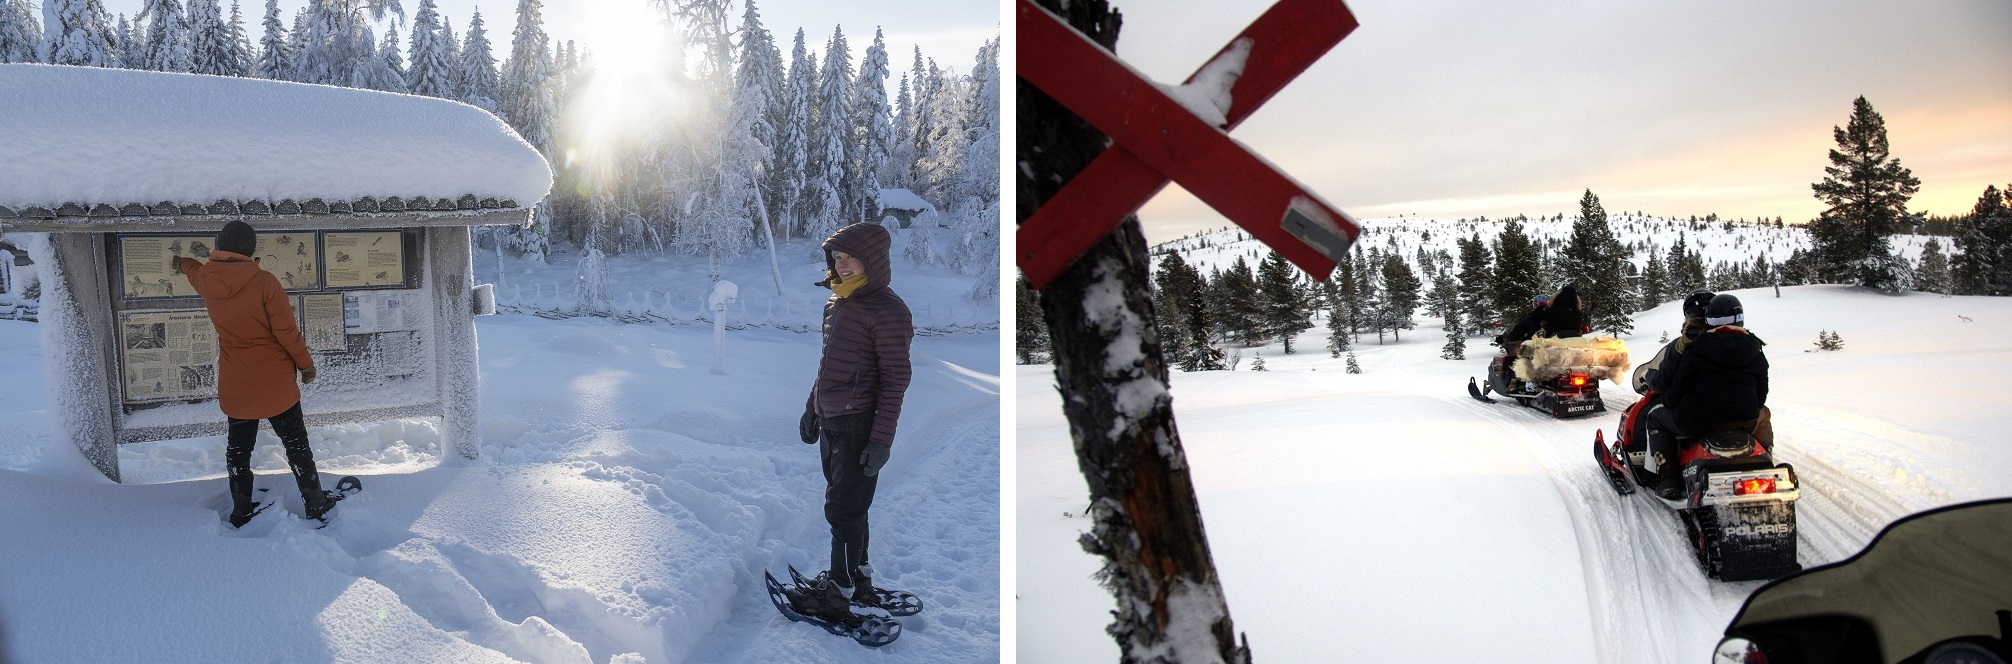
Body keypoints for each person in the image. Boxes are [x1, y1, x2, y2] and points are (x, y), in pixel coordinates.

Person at [176, 220, 329, 527]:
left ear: (220, 247)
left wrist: (183, 262)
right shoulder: (265, 282)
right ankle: (315, 503)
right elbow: (286, 331)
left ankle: (241, 509)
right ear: (251, 250)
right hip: (275, 385)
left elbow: (192, 270)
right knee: (296, 444)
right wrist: (306, 365)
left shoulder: (205, 278)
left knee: (238, 450)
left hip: (237, 383)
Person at [796, 222, 914, 619]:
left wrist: (881, 440)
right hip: (832, 422)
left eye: (850, 257)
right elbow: (828, 366)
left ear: (874, 259)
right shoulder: (839, 302)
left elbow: (896, 381)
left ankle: (838, 595)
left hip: (858, 426)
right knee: (851, 508)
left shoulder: (888, 310)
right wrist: (813, 407)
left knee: (843, 511)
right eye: (837, 257)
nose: (842, 265)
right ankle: (858, 582)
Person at [1645, 294, 1769, 499]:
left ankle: (1669, 479)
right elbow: (1761, 394)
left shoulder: (1694, 347)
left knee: (1655, 417)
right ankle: (1765, 459)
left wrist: (1670, 400)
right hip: (1743, 422)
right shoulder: (1755, 347)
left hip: (1698, 423)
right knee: (1765, 415)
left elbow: (1675, 391)